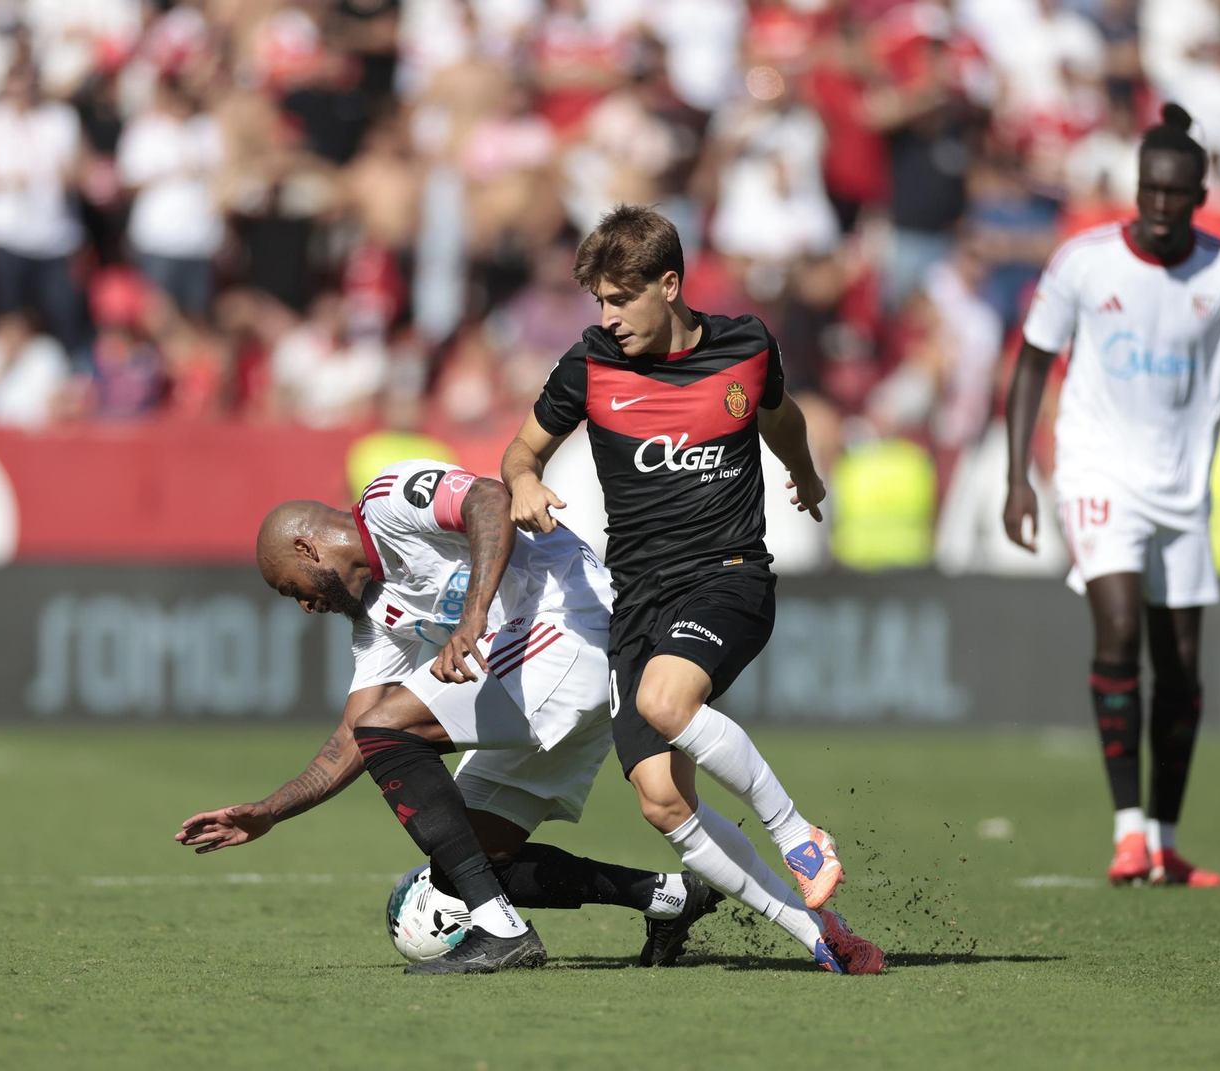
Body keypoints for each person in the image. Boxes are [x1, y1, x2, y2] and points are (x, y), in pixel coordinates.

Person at [501, 204, 883, 974]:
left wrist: (804, 474)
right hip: (636, 601)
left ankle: (799, 833)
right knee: (662, 800)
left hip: (728, 576)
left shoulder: (746, 346)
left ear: (670, 285)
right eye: (599, 303)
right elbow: (521, 449)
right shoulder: (589, 365)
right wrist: (523, 483)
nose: (608, 318)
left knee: (665, 702)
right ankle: (821, 935)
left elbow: (780, 417)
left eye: (621, 299)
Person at [175, 460, 723, 975]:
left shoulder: (387, 499)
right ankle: (669, 897)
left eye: (291, 588)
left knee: (392, 736)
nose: (304, 605)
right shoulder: (375, 617)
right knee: (470, 861)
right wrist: (271, 811)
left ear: (306, 548)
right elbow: (354, 736)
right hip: (538, 665)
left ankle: (501, 933)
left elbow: (490, 498)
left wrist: (472, 617)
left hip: (571, 624)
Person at [1003, 105, 1220, 887]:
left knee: (1180, 666)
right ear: (1136, 186)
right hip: (1096, 471)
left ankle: (1166, 839)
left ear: (1199, 196)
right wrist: (1018, 476)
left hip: (1182, 488)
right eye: (1148, 188)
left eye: (1174, 192)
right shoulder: (1083, 263)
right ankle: (1127, 834)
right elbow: (1032, 362)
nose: (1158, 204)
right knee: (1118, 629)